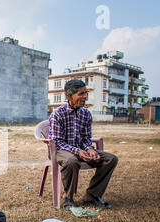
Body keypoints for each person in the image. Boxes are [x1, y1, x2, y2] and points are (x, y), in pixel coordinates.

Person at [49, 79, 119, 209]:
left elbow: (86, 138)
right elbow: (57, 142)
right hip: (61, 150)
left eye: (86, 93)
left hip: (81, 150)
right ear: (69, 96)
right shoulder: (57, 114)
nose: (85, 97)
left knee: (111, 159)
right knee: (71, 161)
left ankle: (91, 195)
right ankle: (68, 197)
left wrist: (90, 150)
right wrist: (78, 152)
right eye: (81, 94)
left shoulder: (86, 114)